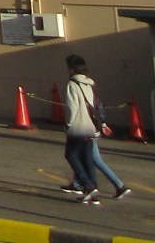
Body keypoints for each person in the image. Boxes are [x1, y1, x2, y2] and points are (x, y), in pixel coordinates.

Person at [62, 55, 129, 203]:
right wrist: (102, 123)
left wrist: (68, 124)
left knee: (71, 155)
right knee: (89, 159)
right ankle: (93, 192)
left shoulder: (72, 84)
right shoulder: (89, 84)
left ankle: (89, 187)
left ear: (72, 69)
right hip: (91, 127)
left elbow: (72, 107)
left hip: (78, 126)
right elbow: (96, 105)